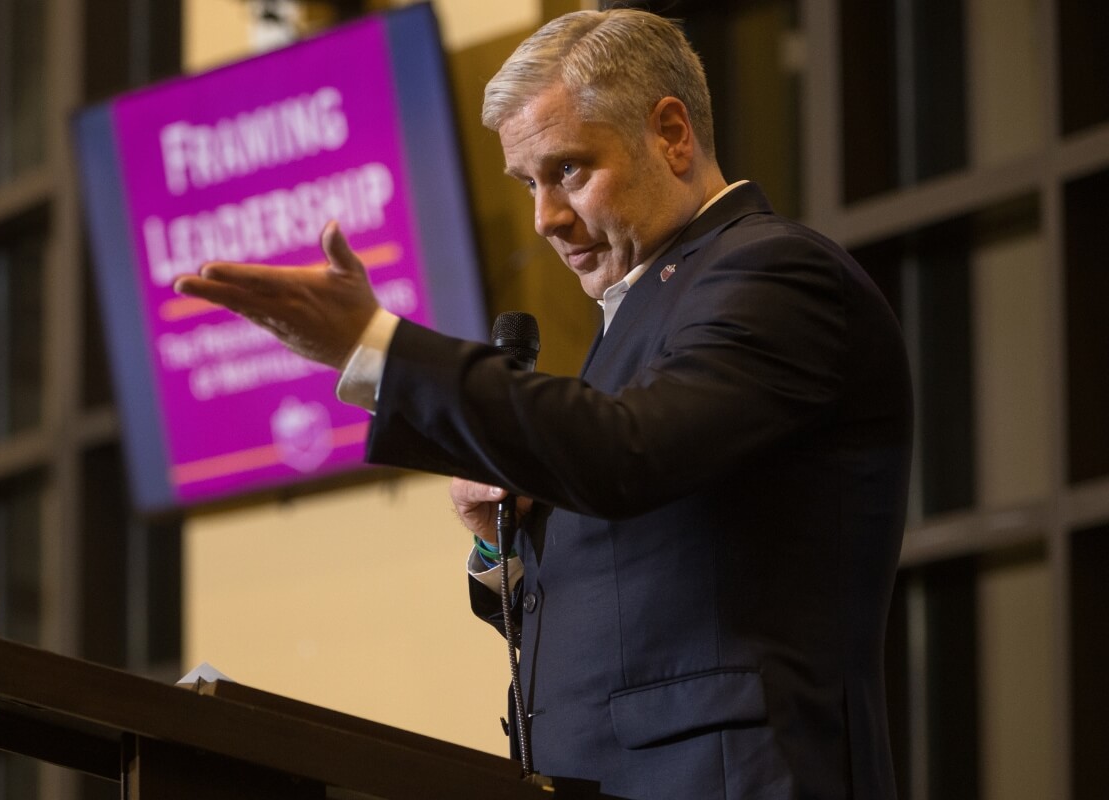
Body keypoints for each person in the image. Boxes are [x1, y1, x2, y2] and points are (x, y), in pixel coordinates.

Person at [174, 8, 913, 799]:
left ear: (671, 134)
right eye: (528, 183)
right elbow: (631, 596)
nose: (545, 219)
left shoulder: (775, 273)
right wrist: (504, 543)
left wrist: (380, 347)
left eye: (567, 170)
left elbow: (628, 456)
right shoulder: (641, 311)